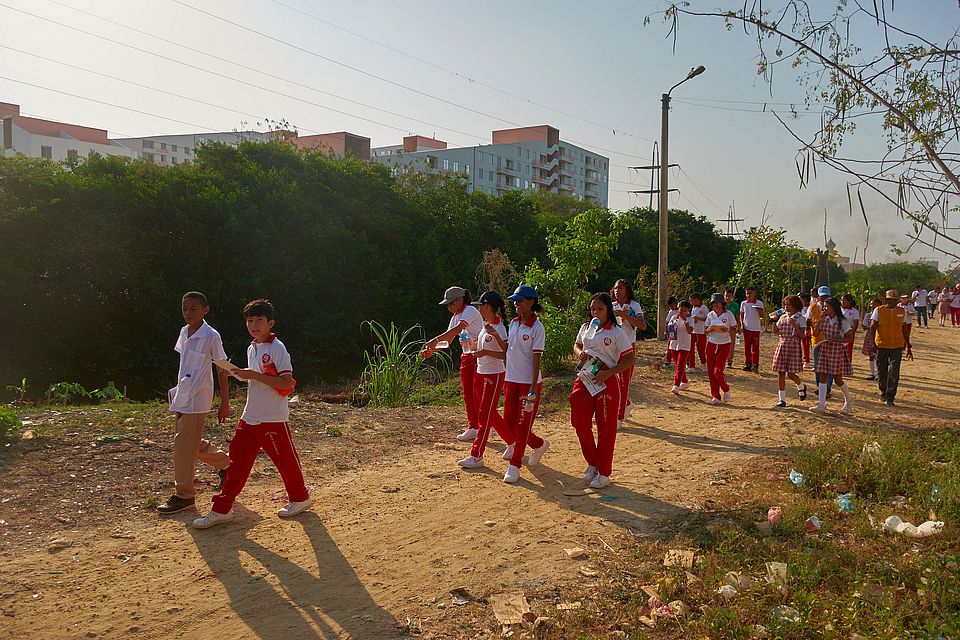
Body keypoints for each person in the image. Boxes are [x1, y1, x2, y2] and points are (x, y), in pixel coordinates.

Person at [194, 299, 310, 529]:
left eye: (259, 320)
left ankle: (300, 498)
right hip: (249, 417)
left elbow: (286, 384)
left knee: (285, 462)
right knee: (236, 463)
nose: (254, 325)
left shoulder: (277, 348)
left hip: (272, 418)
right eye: (249, 320)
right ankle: (221, 509)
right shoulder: (252, 347)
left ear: (270, 323)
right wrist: (234, 373)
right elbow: (255, 377)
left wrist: (252, 375)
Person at [157, 291, 232, 515]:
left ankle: (185, 495)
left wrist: (224, 401)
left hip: (198, 397)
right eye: (185, 309)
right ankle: (227, 465)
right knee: (190, 443)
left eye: (193, 309)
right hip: (182, 395)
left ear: (205, 310)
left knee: (183, 446)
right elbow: (185, 364)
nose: (188, 313)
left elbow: (222, 368)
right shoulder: (184, 332)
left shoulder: (211, 335)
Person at [570, 293, 636, 489]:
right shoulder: (586, 328)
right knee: (579, 423)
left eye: (600, 309)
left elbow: (629, 359)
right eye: (592, 309)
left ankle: (604, 471)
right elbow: (577, 345)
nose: (595, 313)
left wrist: (609, 373)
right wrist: (579, 353)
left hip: (606, 384)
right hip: (585, 380)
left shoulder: (616, 332)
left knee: (606, 428)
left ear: (608, 310)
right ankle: (593, 463)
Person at [457, 291, 514, 469]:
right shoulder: (485, 324)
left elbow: (504, 354)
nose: (478, 308)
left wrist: (484, 353)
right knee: (489, 413)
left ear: (487, 306)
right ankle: (513, 441)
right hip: (481, 372)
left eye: (480, 305)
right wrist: (470, 346)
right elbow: (481, 347)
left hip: (494, 374)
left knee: (484, 415)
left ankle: (476, 455)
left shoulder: (500, 328)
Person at [502, 285, 550, 484]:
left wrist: (532, 387)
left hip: (528, 383)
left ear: (531, 302)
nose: (516, 304)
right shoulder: (513, 323)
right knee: (509, 422)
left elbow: (536, 358)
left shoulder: (537, 327)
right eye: (515, 300)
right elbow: (508, 350)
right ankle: (538, 444)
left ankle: (515, 465)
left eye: (520, 300)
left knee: (522, 425)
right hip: (511, 380)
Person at [423, 287, 483, 442]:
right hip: (466, 356)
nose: (449, 307)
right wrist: (432, 350)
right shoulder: (455, 316)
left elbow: (456, 330)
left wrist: (432, 342)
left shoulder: (469, 310)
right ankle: (473, 427)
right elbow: (447, 341)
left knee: (477, 393)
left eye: (451, 303)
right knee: (468, 393)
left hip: (479, 356)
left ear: (459, 300)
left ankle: (483, 426)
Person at [811, 296, 855, 414]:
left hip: (836, 350)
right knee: (823, 376)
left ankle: (848, 400)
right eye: (824, 306)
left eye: (826, 306)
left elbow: (850, 338)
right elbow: (815, 334)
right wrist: (819, 321)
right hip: (825, 350)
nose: (824, 308)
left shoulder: (842, 321)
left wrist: (835, 340)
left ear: (833, 308)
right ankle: (821, 404)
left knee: (838, 379)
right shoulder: (824, 319)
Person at [868, 289, 912, 406]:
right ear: (887, 300)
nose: (895, 302)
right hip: (882, 345)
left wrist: (908, 345)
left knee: (894, 371)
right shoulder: (879, 310)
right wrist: (872, 343)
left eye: (896, 300)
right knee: (882, 370)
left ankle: (890, 396)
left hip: (897, 346)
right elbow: (873, 327)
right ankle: (883, 391)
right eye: (893, 300)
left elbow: (904, 329)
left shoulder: (902, 311)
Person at [611, 279, 646, 423]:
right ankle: (625, 404)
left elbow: (642, 325)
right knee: (614, 380)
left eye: (620, 288)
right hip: (612, 348)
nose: (617, 291)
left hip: (628, 348)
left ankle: (619, 417)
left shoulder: (634, 305)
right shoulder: (610, 305)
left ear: (627, 290)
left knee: (625, 382)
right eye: (615, 288)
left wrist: (625, 316)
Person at [771, 295, 808, 407]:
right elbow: (775, 332)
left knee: (791, 374)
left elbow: (802, 336)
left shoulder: (800, 318)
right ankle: (781, 399)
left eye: (789, 305)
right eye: (785, 305)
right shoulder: (783, 317)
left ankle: (801, 386)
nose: (786, 307)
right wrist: (774, 320)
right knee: (780, 373)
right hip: (782, 345)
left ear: (796, 306)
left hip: (794, 346)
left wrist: (795, 326)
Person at [704, 293, 738, 404]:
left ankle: (726, 389)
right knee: (710, 371)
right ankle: (716, 396)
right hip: (711, 343)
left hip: (724, 343)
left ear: (722, 303)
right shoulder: (710, 315)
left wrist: (726, 330)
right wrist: (709, 329)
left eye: (717, 303)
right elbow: (705, 329)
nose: (715, 305)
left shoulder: (729, 314)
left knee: (717, 370)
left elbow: (734, 328)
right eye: (713, 304)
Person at [809, 286, 834, 398]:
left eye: (826, 296)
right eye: (822, 296)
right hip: (817, 341)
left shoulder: (833, 308)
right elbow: (808, 320)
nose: (824, 298)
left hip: (831, 342)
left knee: (830, 366)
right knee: (817, 366)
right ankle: (820, 386)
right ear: (818, 296)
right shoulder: (812, 307)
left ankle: (827, 388)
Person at [669, 301, 695, 394]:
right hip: (674, 344)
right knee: (677, 365)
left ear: (688, 310)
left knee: (680, 365)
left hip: (684, 345)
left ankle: (676, 385)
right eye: (681, 309)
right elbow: (670, 330)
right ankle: (684, 381)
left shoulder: (690, 319)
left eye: (685, 310)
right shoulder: (673, 317)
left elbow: (690, 331)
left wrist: (685, 320)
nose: (682, 311)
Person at [739, 287, 764, 373]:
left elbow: (762, 316)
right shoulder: (743, 303)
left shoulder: (759, 303)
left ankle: (755, 364)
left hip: (756, 328)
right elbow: (741, 315)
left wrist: (759, 311)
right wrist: (742, 325)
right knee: (747, 347)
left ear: (754, 294)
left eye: (750, 293)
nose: (748, 295)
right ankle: (748, 363)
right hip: (747, 328)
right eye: (747, 293)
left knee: (755, 347)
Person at [861, 296, 882, 380]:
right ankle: (872, 373)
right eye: (871, 304)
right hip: (870, 335)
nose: (872, 305)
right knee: (871, 355)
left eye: (874, 304)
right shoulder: (868, 314)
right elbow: (864, 325)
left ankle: (878, 373)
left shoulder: (881, 314)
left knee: (877, 355)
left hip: (879, 335)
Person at [687, 293, 708, 372]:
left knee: (701, 349)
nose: (690, 302)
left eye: (691, 300)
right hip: (693, 331)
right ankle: (691, 366)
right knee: (690, 348)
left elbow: (707, 319)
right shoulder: (693, 308)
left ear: (696, 299)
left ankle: (704, 364)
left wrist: (698, 318)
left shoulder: (704, 307)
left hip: (701, 331)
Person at [840, 294, 860, 363]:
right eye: (841, 300)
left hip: (849, 331)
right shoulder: (839, 310)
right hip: (840, 331)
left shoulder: (854, 311)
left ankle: (847, 365)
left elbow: (856, 323)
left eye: (844, 300)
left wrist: (852, 333)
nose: (842, 302)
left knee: (848, 349)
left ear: (849, 301)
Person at [724, 288, 740, 368]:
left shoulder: (736, 305)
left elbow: (737, 317)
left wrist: (739, 327)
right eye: (726, 295)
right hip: (722, 327)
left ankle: (729, 361)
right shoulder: (721, 304)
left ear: (732, 296)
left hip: (732, 327)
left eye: (729, 296)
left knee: (731, 344)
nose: (727, 298)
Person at [662, 296, 680, 367]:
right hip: (672, 332)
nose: (671, 307)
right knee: (670, 346)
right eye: (670, 306)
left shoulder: (680, 310)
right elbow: (667, 322)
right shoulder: (671, 312)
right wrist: (666, 331)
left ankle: (685, 361)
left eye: (672, 306)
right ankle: (668, 360)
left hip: (680, 332)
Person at [798, 292, 813, 368]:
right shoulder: (799, 308)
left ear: (804, 299)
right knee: (805, 345)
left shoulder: (810, 307)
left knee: (811, 344)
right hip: (803, 327)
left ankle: (813, 360)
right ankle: (806, 360)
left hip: (810, 328)